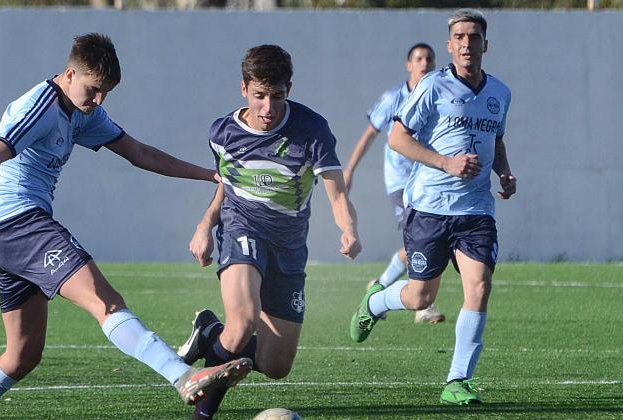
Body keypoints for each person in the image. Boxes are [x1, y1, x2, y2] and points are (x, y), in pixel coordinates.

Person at [0, 33, 252, 420]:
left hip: (15, 233)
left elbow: (138, 153)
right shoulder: (40, 106)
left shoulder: (82, 109)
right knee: (104, 300)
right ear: (70, 74)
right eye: (93, 90)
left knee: (21, 356)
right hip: (18, 223)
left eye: (105, 92)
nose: (98, 101)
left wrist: (208, 175)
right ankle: (183, 376)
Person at [178, 45, 362, 419]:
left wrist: (349, 229)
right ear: (244, 88)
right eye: (260, 96)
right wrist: (205, 224)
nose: (268, 108)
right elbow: (227, 185)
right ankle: (203, 414)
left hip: (289, 247)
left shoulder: (312, 130)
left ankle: (209, 333)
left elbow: (337, 192)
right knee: (243, 323)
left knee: (276, 365)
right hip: (242, 229)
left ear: (288, 89)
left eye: (276, 96)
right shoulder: (223, 132)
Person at [351, 9, 515, 405]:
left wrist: (505, 174)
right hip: (429, 207)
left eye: (473, 37)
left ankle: (457, 380)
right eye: (458, 37)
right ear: (450, 45)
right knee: (421, 297)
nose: (465, 44)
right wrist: (446, 162)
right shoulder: (432, 87)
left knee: (479, 286)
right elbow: (397, 139)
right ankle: (375, 301)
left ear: (484, 45)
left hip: (476, 210)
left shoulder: (500, 93)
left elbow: (496, 140)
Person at [343, 43, 446, 326]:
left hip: (428, 180)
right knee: (420, 241)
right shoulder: (394, 98)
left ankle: (380, 284)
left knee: (425, 241)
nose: (424, 63)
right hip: (401, 182)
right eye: (419, 58)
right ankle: (423, 306)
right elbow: (369, 134)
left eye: (429, 59)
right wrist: (349, 170)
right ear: (408, 65)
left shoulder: (439, 95)